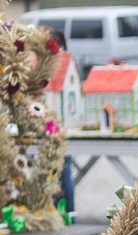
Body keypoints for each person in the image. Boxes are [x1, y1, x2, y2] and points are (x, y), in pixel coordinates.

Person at [49, 29, 75, 218]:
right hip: (59, 127)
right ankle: (66, 212)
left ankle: (68, 212)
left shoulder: (59, 64)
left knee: (63, 173)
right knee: (61, 173)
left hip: (59, 128)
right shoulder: (65, 62)